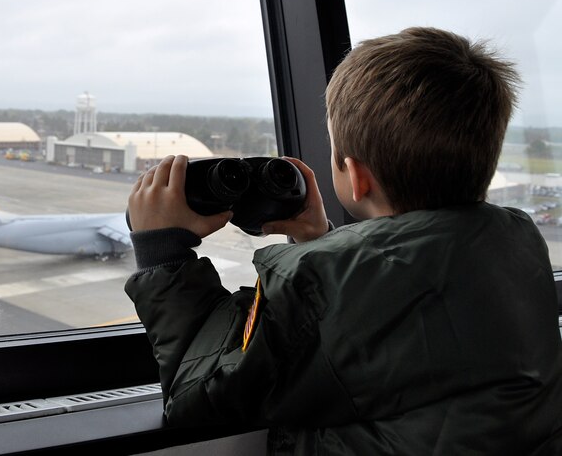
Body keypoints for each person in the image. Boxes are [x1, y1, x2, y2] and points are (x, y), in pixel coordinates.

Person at [124, 27, 562, 455]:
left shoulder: (318, 287)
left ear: (356, 177)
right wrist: (318, 240)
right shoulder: (519, 245)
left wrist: (163, 255)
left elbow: (196, 393)